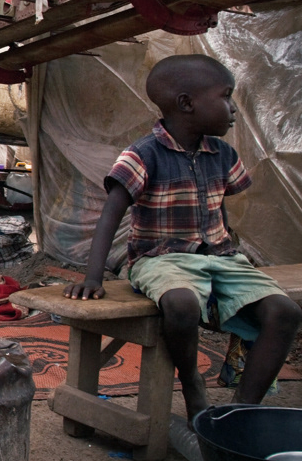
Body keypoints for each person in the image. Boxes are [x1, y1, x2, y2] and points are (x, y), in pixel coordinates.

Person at [65, 54, 301, 420]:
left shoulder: (222, 153)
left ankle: (242, 412)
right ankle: (192, 382)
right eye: (226, 96)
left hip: (221, 257)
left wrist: (226, 250)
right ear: (187, 103)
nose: (233, 108)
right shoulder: (144, 154)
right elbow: (112, 213)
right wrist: (94, 276)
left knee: (284, 311)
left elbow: (217, 206)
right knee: (181, 304)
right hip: (161, 258)